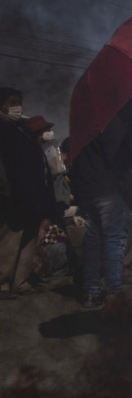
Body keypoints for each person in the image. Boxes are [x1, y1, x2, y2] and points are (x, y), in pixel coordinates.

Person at [0, 88, 63, 297]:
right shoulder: (4, 131)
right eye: (13, 102)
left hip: (29, 197)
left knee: (28, 241)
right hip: (13, 197)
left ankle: (21, 281)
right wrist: (8, 193)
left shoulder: (20, 131)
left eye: (20, 102)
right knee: (11, 239)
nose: (18, 106)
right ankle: (2, 283)